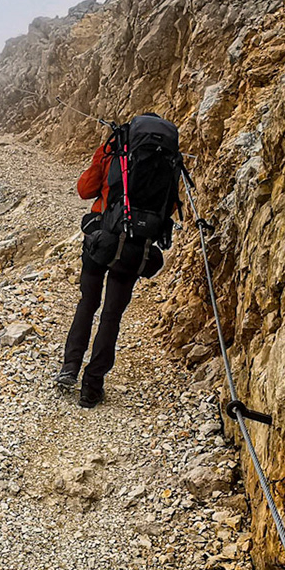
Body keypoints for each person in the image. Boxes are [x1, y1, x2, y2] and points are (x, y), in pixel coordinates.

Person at [58, 114, 180, 407]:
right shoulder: (168, 162)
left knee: (88, 303)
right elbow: (171, 206)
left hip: (101, 240)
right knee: (112, 316)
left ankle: (69, 368)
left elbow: (84, 189)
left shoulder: (114, 152)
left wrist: (102, 155)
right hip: (136, 249)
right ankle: (92, 386)